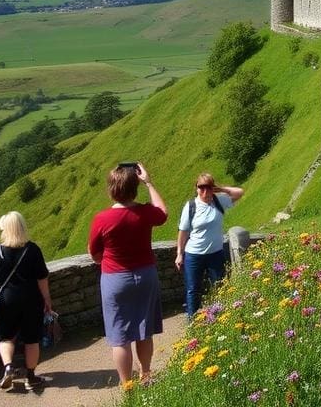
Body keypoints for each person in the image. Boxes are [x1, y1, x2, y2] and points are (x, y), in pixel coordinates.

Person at [88, 163, 168, 387]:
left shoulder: (101, 219)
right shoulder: (144, 212)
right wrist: (149, 182)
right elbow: (163, 212)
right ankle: (146, 375)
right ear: (135, 187)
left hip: (115, 279)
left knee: (120, 337)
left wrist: (105, 259)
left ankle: (127, 386)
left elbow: (94, 253)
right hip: (146, 276)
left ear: (111, 189)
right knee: (144, 330)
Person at [0, 212, 52, 391]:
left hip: (7, 300)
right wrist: (47, 300)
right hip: (31, 300)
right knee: (31, 339)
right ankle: (31, 377)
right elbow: (42, 277)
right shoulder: (32, 249)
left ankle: (8, 368)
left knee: (6, 337)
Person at [175, 174, 244, 317]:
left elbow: (240, 192)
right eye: (201, 187)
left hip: (215, 254)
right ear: (196, 188)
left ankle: (219, 319)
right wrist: (179, 254)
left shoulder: (219, 201)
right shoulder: (191, 206)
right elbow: (183, 232)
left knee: (220, 287)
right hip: (194, 255)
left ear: (213, 188)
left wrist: (221, 189)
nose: (205, 191)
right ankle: (193, 323)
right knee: (193, 290)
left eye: (208, 188)